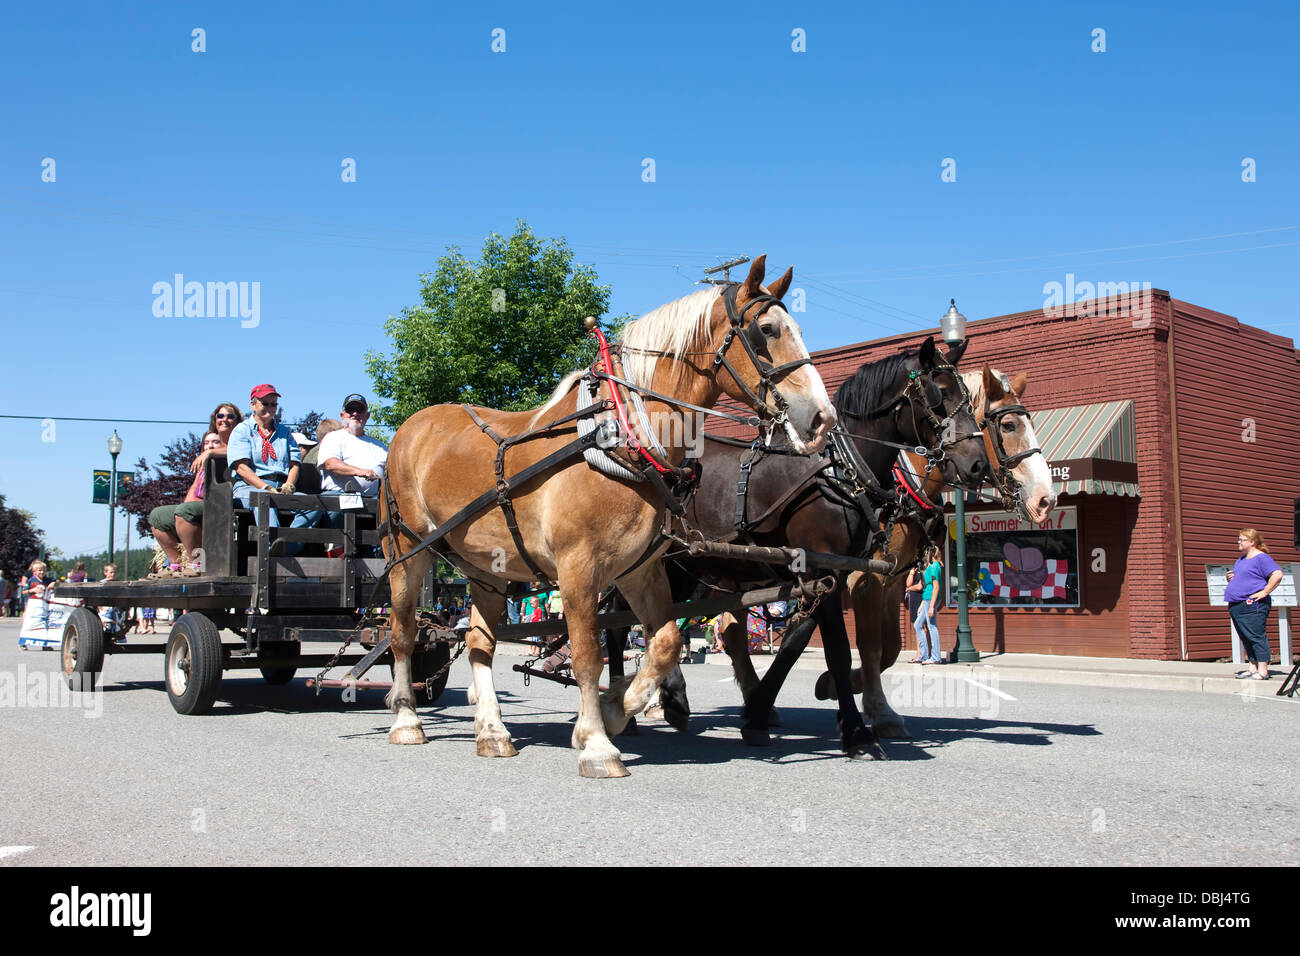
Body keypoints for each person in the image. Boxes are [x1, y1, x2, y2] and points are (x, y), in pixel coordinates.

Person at [281, 395, 388, 556]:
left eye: (359, 410)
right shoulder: (333, 438)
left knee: (393, 512)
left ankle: (377, 558)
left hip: (372, 499)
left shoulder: (379, 446)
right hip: (338, 494)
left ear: (367, 415)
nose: (354, 413)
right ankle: (335, 549)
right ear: (342, 415)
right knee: (336, 505)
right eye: (350, 409)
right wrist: (360, 471)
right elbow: (331, 464)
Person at [226, 384, 302, 533]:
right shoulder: (242, 430)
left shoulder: (284, 432)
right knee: (264, 499)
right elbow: (241, 468)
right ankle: (271, 547)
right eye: (265, 403)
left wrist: (289, 485)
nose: (270, 407)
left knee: (312, 505)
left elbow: (295, 464)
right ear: (253, 405)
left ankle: (286, 546)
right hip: (249, 487)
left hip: (281, 486)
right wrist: (265, 487)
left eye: (273, 404)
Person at [149, 431, 223, 576]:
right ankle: (174, 566)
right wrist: (178, 516)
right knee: (158, 516)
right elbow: (193, 492)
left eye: (215, 442)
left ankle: (197, 564)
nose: (210, 446)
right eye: (206, 443)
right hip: (197, 508)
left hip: (219, 508)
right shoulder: (203, 466)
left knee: (186, 511)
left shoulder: (228, 459)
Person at [1225, 528, 1282, 680]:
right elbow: (1248, 577)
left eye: (1242, 539)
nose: (1238, 542)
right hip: (1237, 603)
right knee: (1245, 636)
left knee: (1256, 635)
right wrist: (1232, 579)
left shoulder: (1261, 558)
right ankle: (1252, 666)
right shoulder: (1241, 560)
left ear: (1252, 542)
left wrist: (1265, 591)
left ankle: (1263, 670)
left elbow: (1277, 574)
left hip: (1252, 604)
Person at [190, 402, 243, 476]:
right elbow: (196, 484)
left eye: (230, 416)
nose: (224, 419)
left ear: (237, 422)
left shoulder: (242, 441)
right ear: (215, 420)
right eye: (220, 416)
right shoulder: (213, 447)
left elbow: (238, 451)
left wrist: (210, 452)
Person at [913, 545, 944, 665]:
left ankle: (936, 657)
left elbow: (936, 587)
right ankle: (924, 655)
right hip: (926, 599)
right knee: (917, 625)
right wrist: (922, 604)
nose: (925, 554)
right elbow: (927, 587)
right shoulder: (930, 566)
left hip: (931, 599)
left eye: (926, 552)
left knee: (932, 626)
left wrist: (931, 606)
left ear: (931, 553)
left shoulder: (935, 566)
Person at [904, 559, 926, 662]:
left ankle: (923, 653)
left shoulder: (924, 571)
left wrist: (909, 589)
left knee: (922, 627)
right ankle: (919, 653)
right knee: (916, 626)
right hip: (913, 600)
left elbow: (920, 586)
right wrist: (911, 573)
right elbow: (908, 583)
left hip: (921, 599)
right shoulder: (913, 571)